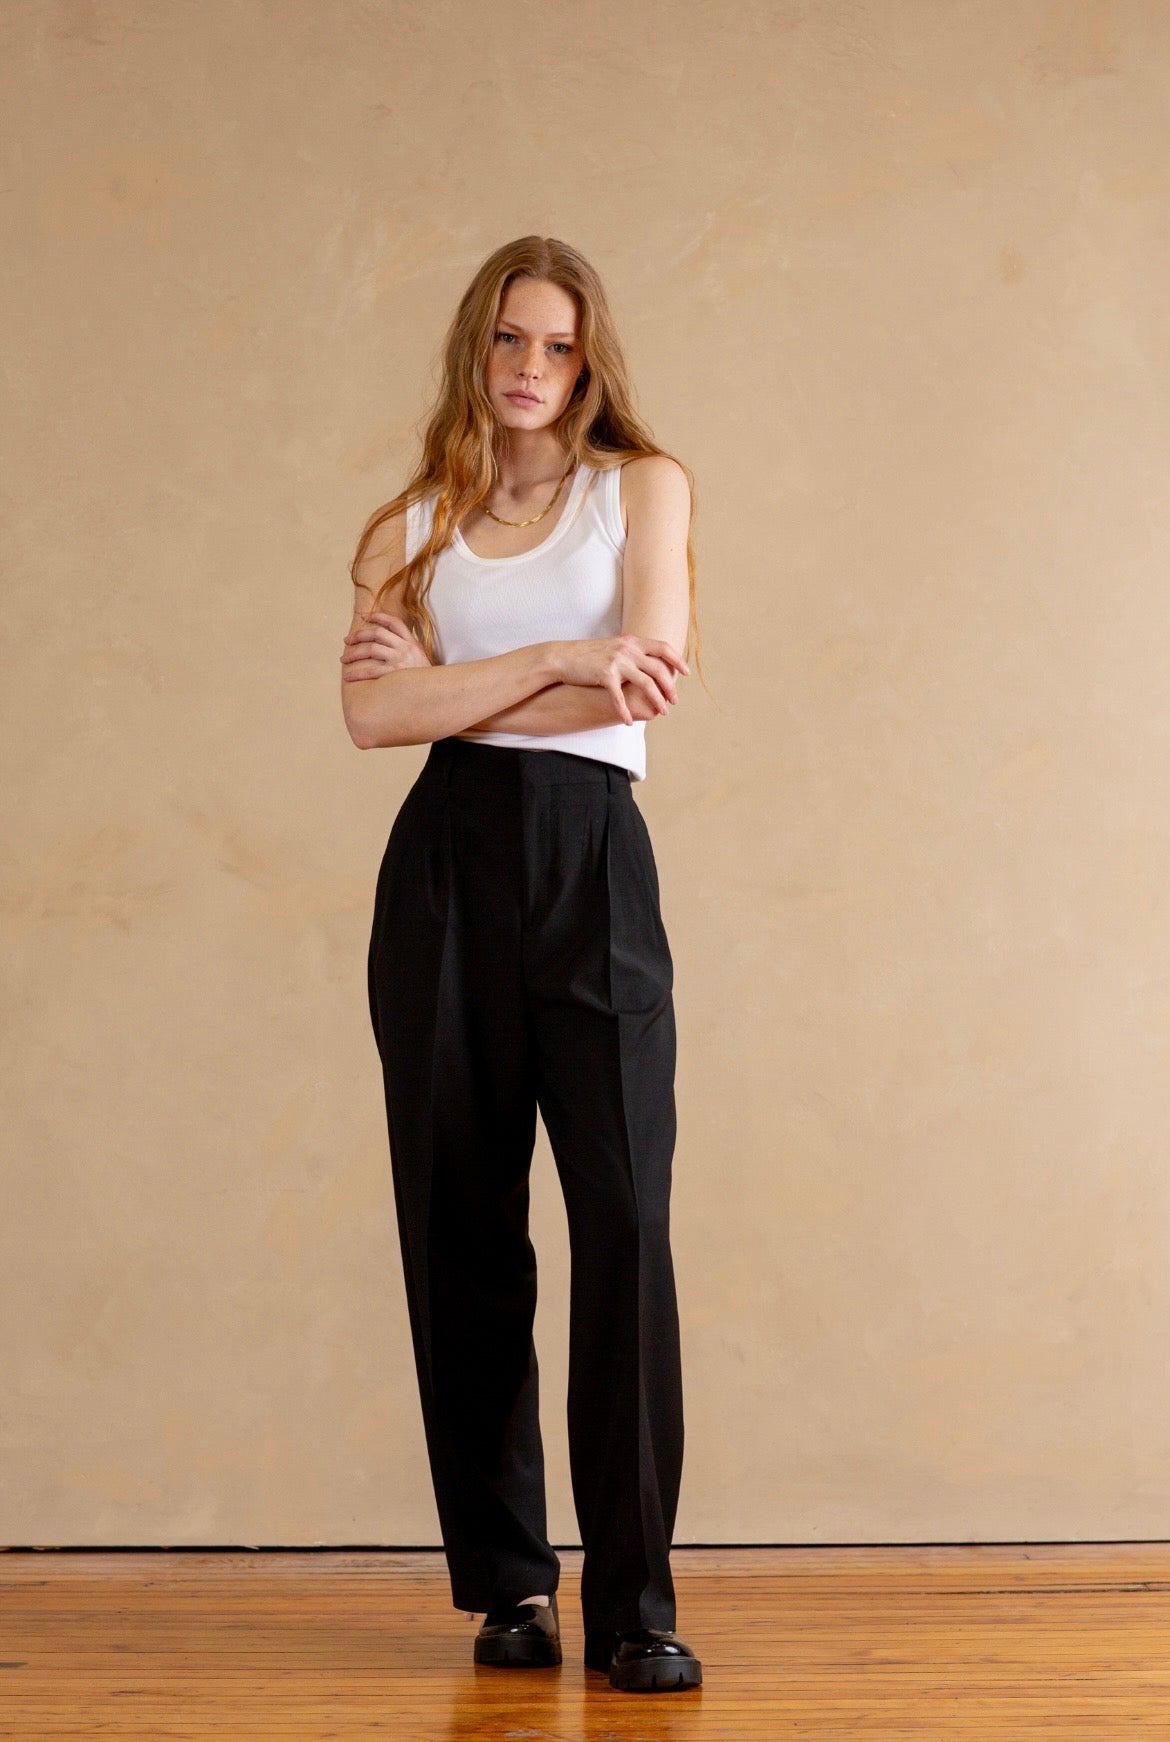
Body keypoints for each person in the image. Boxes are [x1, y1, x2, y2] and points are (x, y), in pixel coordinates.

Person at [339, 236, 704, 1695]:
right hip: (443, 874)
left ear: (588, 355)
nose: (530, 370)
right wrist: (565, 656)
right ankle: (508, 1583)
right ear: (473, 351)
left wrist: (457, 686)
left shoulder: (643, 489)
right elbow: (371, 724)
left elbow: (653, 667)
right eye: (508, 341)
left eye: (555, 346)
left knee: (624, 1222)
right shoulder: (411, 519)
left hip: (593, 868)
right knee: (462, 1228)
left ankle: (636, 1603)